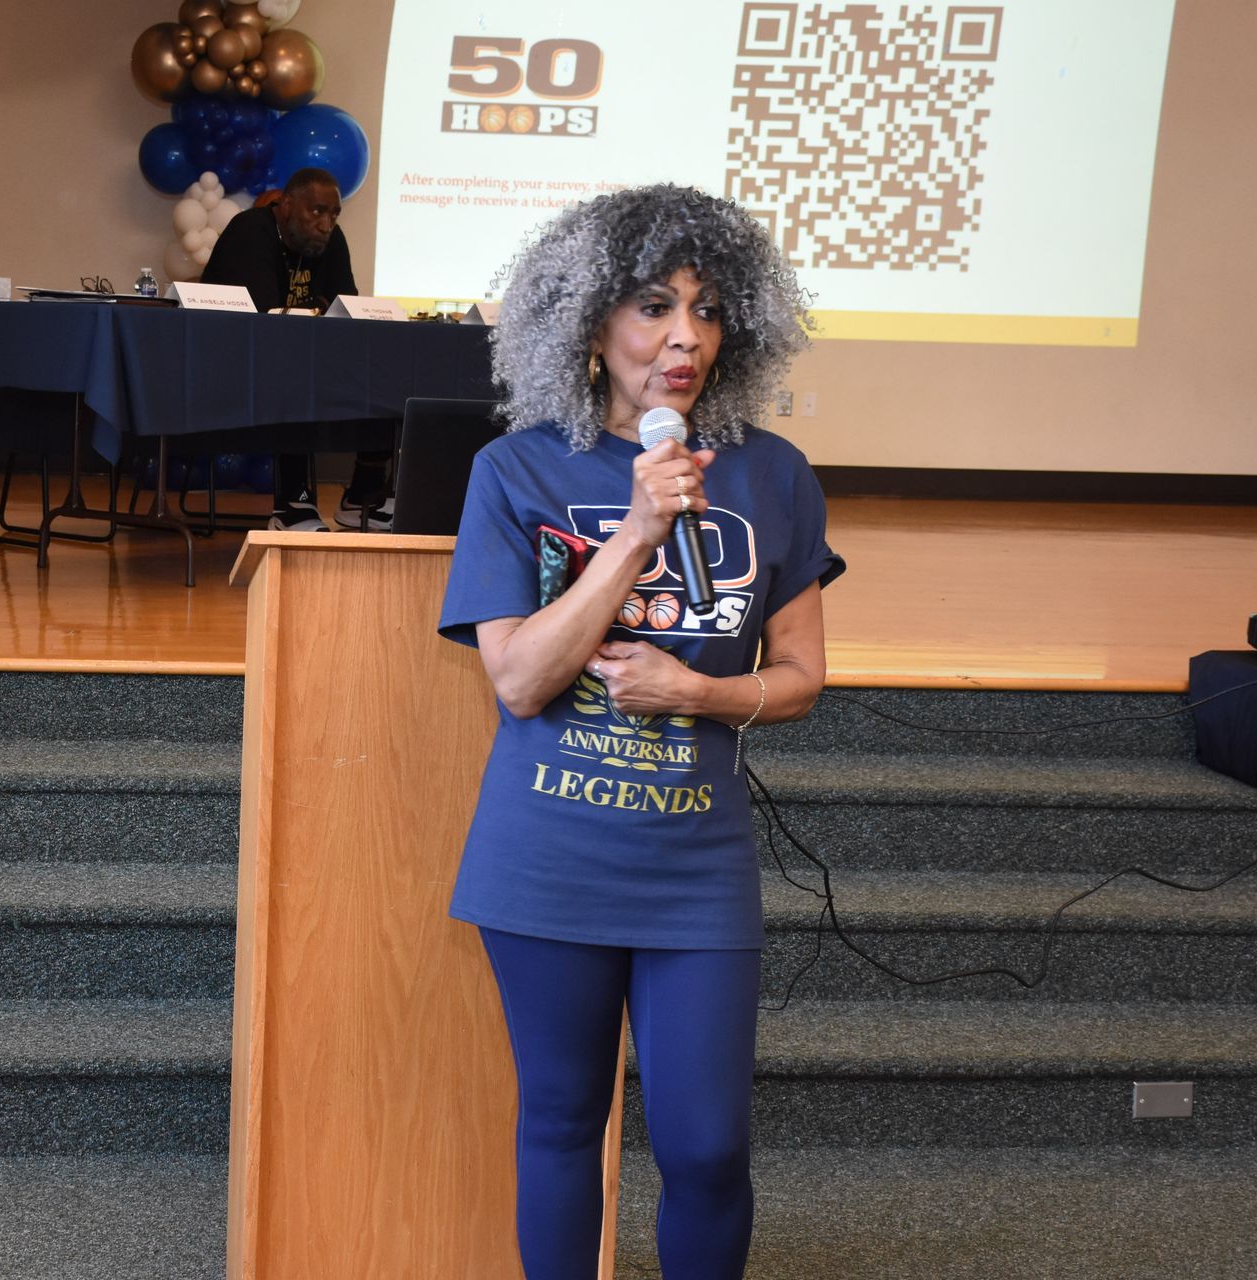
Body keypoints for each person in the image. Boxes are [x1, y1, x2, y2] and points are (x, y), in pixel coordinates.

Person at [437, 184, 844, 1277]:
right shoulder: (514, 471)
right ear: (585, 322)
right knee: (564, 1119)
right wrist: (635, 531)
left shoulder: (774, 475)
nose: (684, 337)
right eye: (654, 306)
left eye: (709, 311)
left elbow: (802, 677)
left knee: (708, 1146)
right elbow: (518, 679)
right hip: (547, 855)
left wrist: (697, 692)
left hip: (694, 862)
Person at [203, 167, 394, 531]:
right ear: (286, 205)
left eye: (334, 214)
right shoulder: (250, 232)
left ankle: (362, 496)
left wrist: (323, 312)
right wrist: (317, 310)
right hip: (232, 364)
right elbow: (267, 320)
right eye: (317, 211)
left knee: (379, 361)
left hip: (300, 355)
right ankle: (292, 501)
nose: (327, 223)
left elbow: (346, 309)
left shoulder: (329, 241)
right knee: (290, 364)